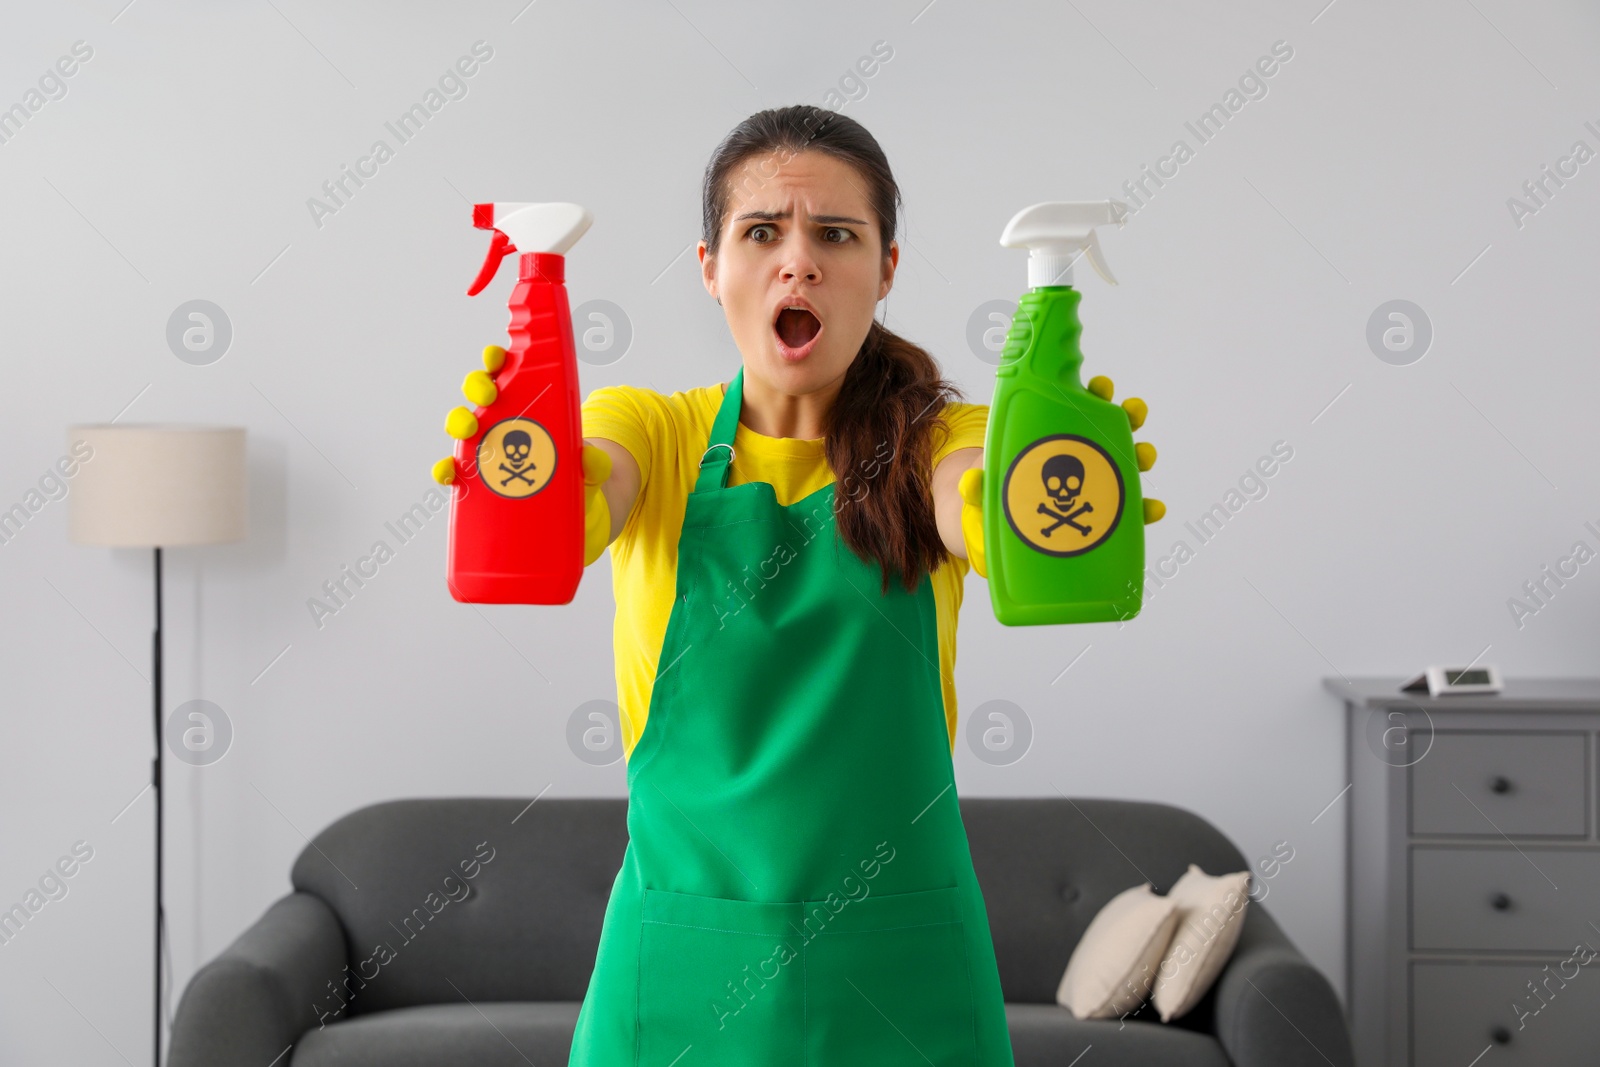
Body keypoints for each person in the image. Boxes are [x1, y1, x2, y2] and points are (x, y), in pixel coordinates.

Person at [433, 104, 1162, 1066]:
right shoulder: (649, 429)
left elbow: (972, 504)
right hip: (680, 972)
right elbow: (580, 511)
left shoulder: (941, 438)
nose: (799, 261)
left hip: (901, 974)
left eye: (837, 234)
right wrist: (522, 476)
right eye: (762, 231)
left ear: (886, 270)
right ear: (711, 268)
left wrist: (1044, 492)